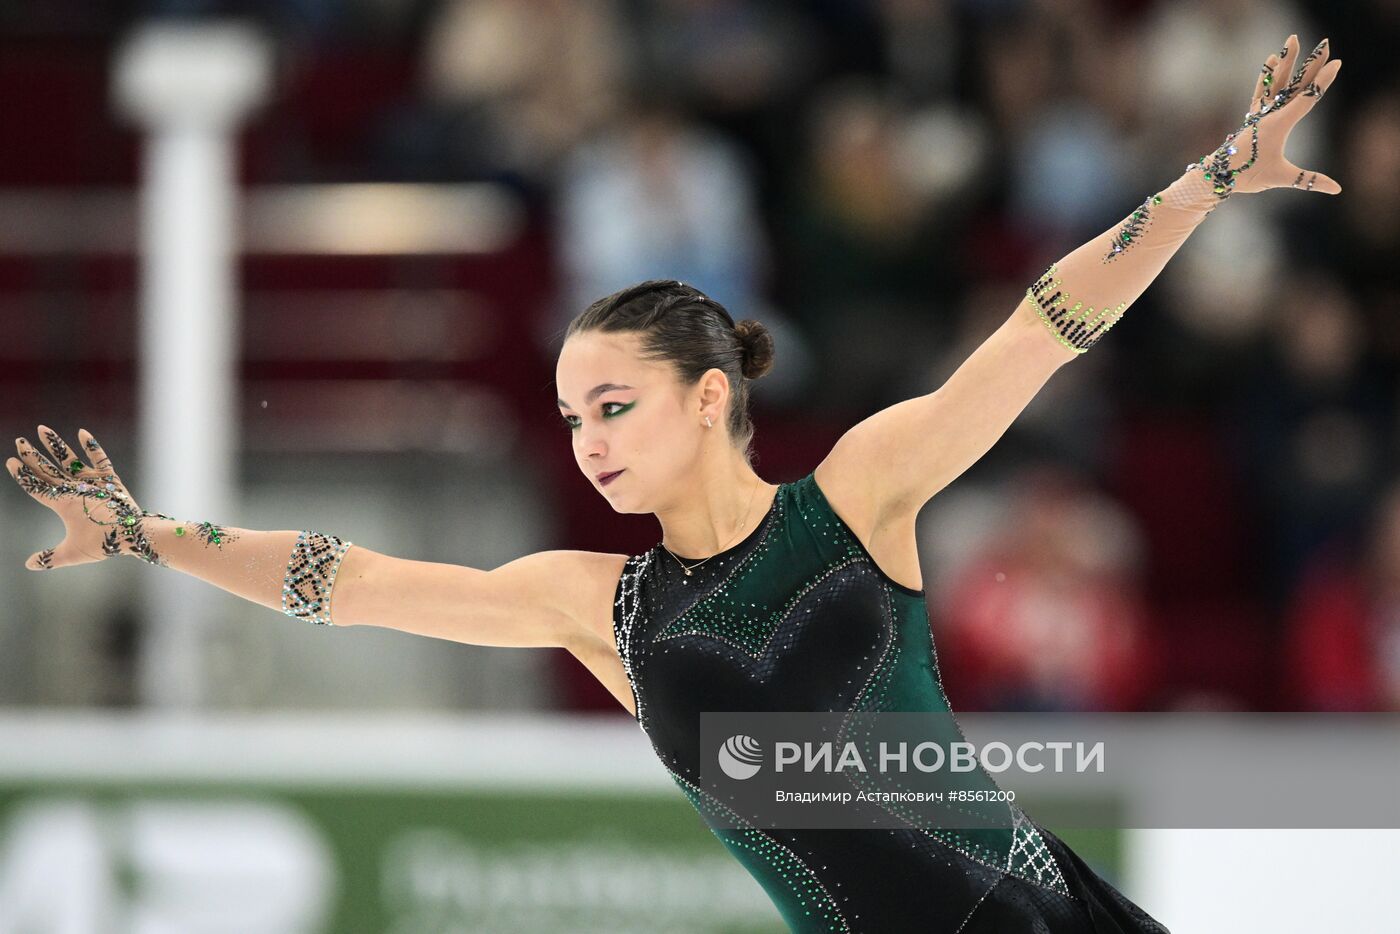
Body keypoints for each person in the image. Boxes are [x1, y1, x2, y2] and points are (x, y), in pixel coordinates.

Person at [8, 34, 1341, 933]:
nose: (586, 437)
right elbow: (345, 583)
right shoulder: (602, 606)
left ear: (710, 396)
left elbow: (1048, 324)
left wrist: (1207, 180)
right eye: (568, 414)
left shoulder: (856, 496)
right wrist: (146, 534)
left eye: (613, 403)